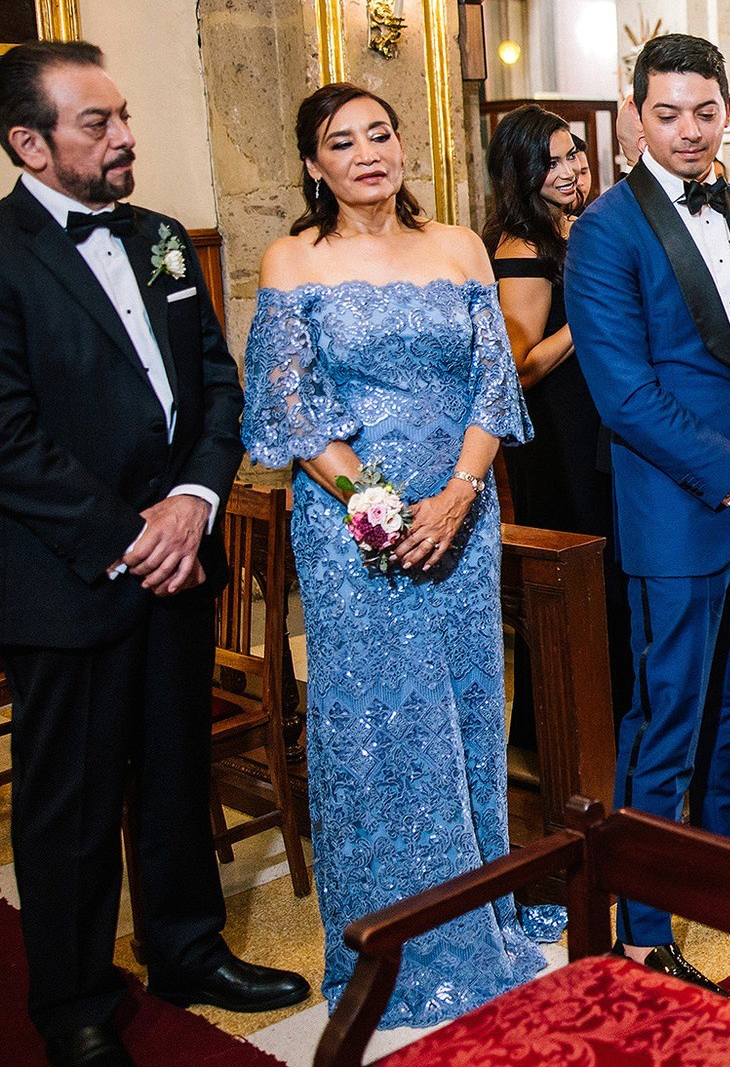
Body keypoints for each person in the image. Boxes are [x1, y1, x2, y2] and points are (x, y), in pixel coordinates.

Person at [0, 42, 308, 1067]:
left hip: (182, 557)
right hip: (70, 578)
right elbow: (9, 438)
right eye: (97, 123)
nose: (126, 135)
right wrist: (130, 538)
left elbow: (218, 389)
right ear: (29, 146)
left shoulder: (164, 240)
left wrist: (190, 500)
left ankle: (186, 949)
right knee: (73, 808)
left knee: (177, 779)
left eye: (123, 114)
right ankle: (76, 1003)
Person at [244, 82, 559, 1023]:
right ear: (314, 165)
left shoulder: (459, 246)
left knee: (466, 707)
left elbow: (494, 387)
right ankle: (389, 935)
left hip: (460, 517)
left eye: (380, 133)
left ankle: (479, 908)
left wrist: (459, 496)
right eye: (343, 142)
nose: (368, 152)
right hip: (353, 532)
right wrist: (377, 504)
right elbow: (290, 410)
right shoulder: (292, 261)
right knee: (376, 725)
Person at [565, 33, 730, 988]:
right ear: (635, 113)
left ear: (728, 112)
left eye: (705, 112)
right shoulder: (607, 230)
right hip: (682, 507)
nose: (687, 130)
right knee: (667, 712)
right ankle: (644, 925)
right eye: (666, 112)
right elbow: (624, 394)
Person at [484, 106, 632, 734]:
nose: (572, 169)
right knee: (577, 571)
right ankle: (569, 728)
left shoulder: (577, 227)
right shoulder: (521, 246)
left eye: (573, 153)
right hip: (556, 431)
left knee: (610, 572)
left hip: (595, 418)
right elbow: (518, 367)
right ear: (521, 173)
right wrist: (593, 315)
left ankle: (609, 715)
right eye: (551, 161)